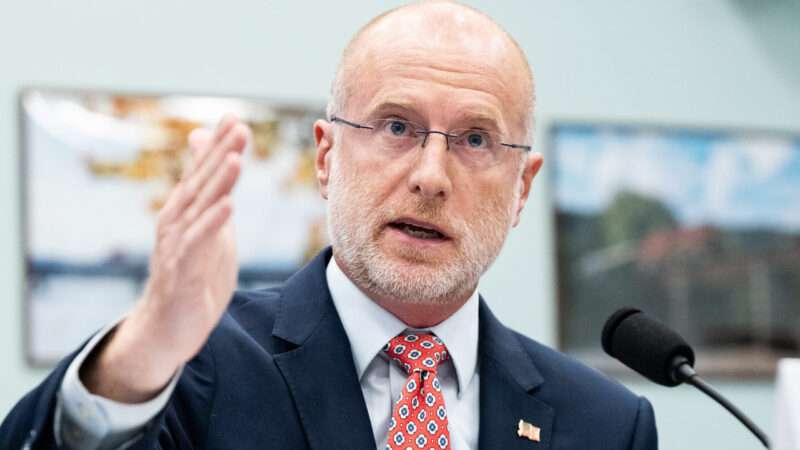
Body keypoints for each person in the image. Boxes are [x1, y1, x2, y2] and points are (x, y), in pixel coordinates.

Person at [1, 2, 658, 449]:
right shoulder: (190, 368)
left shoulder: (606, 424)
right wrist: (146, 346)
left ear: (523, 188)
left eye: (476, 139)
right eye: (396, 126)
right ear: (326, 155)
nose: (431, 175)